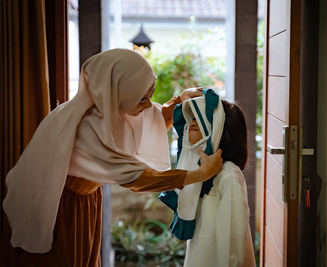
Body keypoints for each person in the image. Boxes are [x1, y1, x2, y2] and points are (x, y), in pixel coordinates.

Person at [0, 49, 223, 266]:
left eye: (148, 97)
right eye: (141, 99)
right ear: (118, 91)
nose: (147, 106)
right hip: (61, 208)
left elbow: (153, 118)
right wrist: (201, 174)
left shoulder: (108, 108)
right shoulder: (84, 127)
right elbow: (138, 179)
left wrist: (180, 100)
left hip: (85, 200)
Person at [159, 89, 256, 267]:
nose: (193, 123)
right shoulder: (199, 171)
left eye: (201, 118)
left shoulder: (229, 174)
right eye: (192, 118)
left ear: (220, 128)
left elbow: (234, 242)